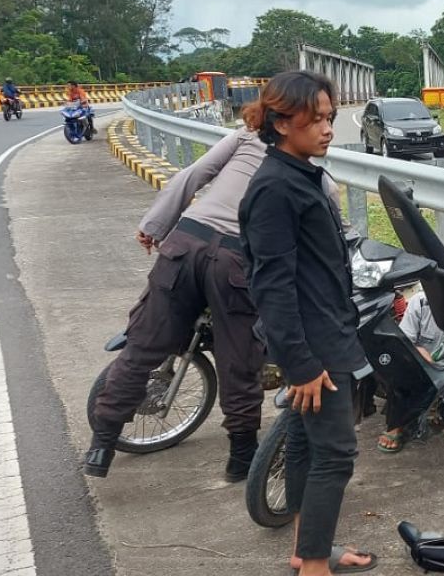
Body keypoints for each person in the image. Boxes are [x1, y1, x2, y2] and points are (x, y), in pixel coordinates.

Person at [240, 70, 377, 575]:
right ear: (279, 122)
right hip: (314, 346)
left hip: (325, 331)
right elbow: (270, 285)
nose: (326, 130)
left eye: (329, 118)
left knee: (302, 440)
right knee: (336, 455)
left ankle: (306, 548)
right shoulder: (275, 188)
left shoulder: (301, 174)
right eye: (315, 119)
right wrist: (300, 364)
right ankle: (316, 566)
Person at [85, 125, 271, 481]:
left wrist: (154, 225)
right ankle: (242, 458)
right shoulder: (303, 163)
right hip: (235, 261)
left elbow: (191, 177)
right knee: (239, 360)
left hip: (185, 242)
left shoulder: (246, 135)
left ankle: (102, 444)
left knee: (142, 347)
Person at [377, 256, 444, 454]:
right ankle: (396, 424)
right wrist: (419, 354)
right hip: (422, 366)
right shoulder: (420, 302)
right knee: (403, 365)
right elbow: (403, 341)